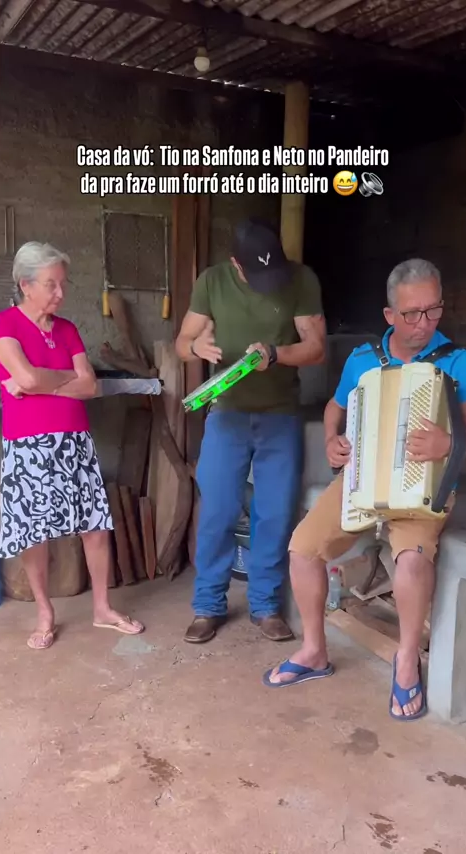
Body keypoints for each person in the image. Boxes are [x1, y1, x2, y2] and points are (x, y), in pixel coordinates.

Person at [264, 258, 466, 721]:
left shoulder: (458, 362)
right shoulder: (363, 359)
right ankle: (314, 650)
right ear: (389, 315)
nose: (424, 323)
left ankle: (405, 659)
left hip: (424, 489)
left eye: (433, 310)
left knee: (412, 562)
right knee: (302, 549)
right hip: (360, 481)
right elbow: (335, 408)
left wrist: (448, 443)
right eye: (412, 314)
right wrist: (331, 441)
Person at [175, 217, 326, 644]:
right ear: (236, 264)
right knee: (219, 510)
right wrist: (196, 347)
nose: (268, 282)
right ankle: (208, 605)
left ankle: (265, 606)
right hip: (228, 413)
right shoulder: (212, 281)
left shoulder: (301, 279)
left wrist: (276, 355)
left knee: (274, 513)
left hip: (280, 414)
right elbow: (181, 342)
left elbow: (316, 347)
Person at [0, 241, 145, 649]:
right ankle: (45, 612)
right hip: (28, 446)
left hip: (75, 441)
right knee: (35, 533)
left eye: (63, 284)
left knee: (94, 525)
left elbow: (89, 385)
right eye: (51, 284)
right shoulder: (5, 325)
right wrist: (62, 379)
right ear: (26, 285)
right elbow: (27, 379)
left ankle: (102, 608)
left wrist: (44, 381)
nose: (61, 293)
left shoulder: (67, 329)